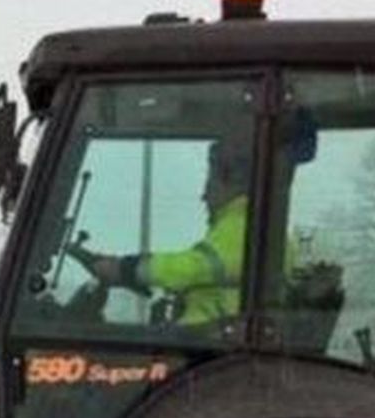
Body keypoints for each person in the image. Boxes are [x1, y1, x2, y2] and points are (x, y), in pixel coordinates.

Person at [71, 133, 251, 326]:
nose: (204, 196)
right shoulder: (239, 226)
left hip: (212, 342)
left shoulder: (244, 227)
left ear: (234, 185)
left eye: (210, 185)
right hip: (208, 336)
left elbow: (188, 269)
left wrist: (124, 269)